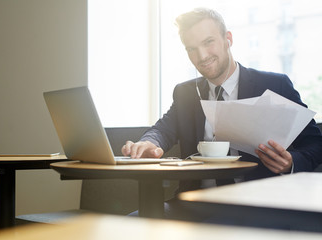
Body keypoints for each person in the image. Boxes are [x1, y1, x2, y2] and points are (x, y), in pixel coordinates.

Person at [122, 8, 322, 193]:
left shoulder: (274, 85)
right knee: (129, 225)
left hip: (257, 205)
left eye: (208, 42)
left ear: (228, 39)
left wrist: (290, 163)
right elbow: (163, 129)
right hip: (193, 204)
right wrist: (148, 142)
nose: (202, 56)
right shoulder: (186, 92)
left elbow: (315, 143)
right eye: (191, 49)